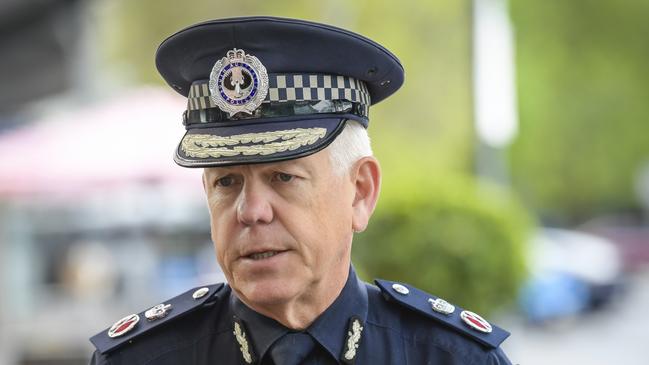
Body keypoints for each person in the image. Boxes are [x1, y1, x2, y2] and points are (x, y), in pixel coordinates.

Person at [89, 16, 513, 364]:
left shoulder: (451, 358)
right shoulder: (141, 359)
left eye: (283, 177)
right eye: (227, 181)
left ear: (360, 192)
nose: (251, 211)